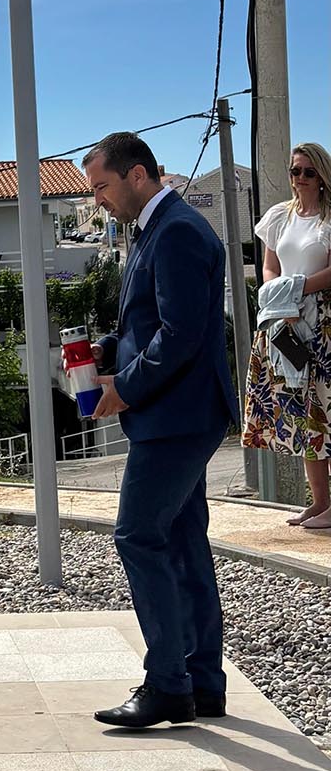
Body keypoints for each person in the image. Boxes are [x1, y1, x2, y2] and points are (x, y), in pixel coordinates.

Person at [83, 132, 238, 728]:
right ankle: (202, 683)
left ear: (137, 175)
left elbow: (180, 335)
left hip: (176, 417)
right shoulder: (157, 228)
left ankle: (169, 684)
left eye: (102, 186)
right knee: (183, 542)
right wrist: (107, 348)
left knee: (138, 537)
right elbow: (152, 321)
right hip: (181, 413)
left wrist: (124, 387)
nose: (98, 199)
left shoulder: (175, 232)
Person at [242, 143, 331, 528]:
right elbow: (268, 267)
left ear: (322, 176)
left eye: (309, 171)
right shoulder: (279, 216)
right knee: (305, 415)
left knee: (327, 409)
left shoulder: (329, 219)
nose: (301, 178)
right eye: (296, 171)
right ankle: (320, 503)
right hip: (285, 323)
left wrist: (297, 290)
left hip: (323, 323)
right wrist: (282, 299)